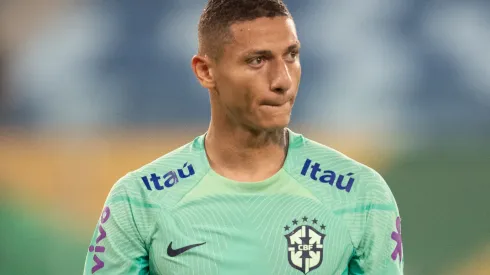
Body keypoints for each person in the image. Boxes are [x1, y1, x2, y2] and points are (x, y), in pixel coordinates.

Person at [83, 0, 404, 274]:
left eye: (291, 55)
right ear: (205, 71)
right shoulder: (139, 199)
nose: (282, 80)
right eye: (257, 60)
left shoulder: (359, 193)